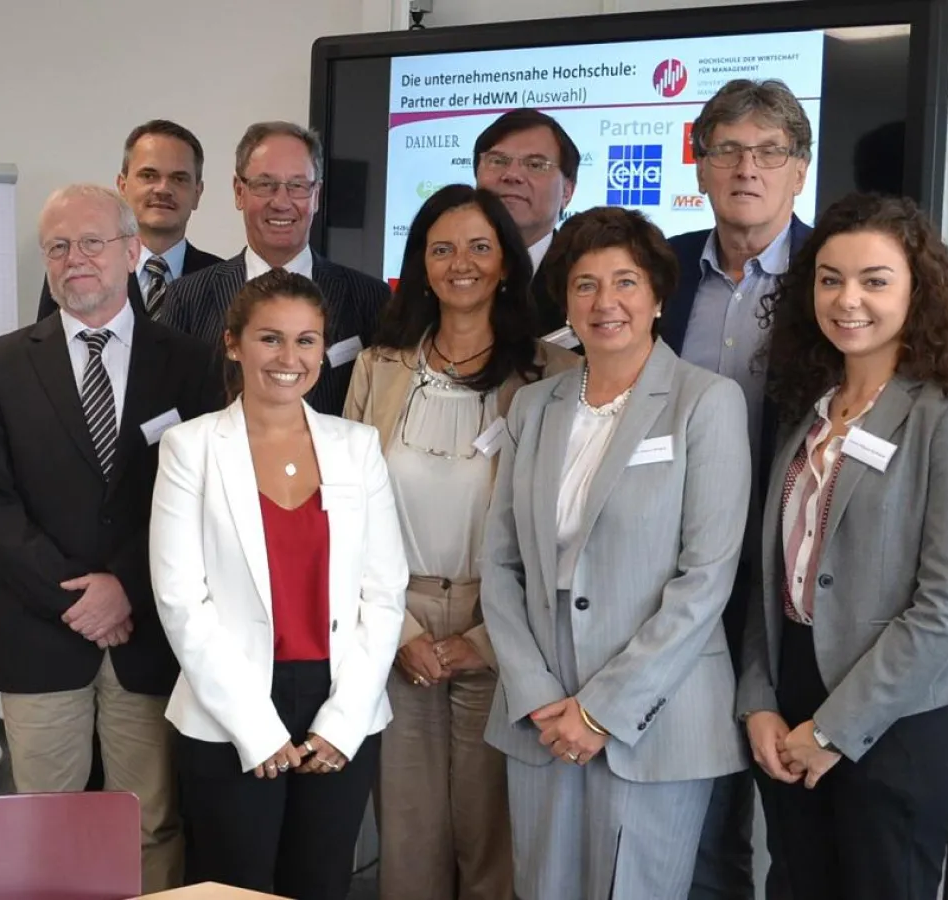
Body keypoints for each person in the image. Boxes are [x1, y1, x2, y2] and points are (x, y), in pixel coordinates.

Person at [738, 192, 948, 900]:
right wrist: (758, 702)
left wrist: (829, 731)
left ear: (918, 291)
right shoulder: (808, 406)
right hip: (788, 707)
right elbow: (772, 579)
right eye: (829, 278)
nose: (846, 299)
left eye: (874, 280)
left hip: (893, 725)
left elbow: (945, 607)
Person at [0, 183, 223, 894]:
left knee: (153, 823)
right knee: (45, 824)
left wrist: (122, 587)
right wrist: (75, 596)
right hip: (41, 632)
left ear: (133, 250)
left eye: (92, 241)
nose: (76, 258)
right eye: (58, 245)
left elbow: (199, 496)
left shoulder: (191, 363)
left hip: (147, 632)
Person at [480, 206, 752, 900]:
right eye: (585, 285)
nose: (605, 303)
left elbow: (705, 577)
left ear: (659, 295)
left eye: (625, 282)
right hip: (540, 720)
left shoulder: (705, 402)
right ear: (564, 301)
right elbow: (500, 564)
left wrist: (600, 709)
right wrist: (539, 697)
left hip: (651, 719)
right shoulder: (533, 406)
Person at [344, 184, 577, 900]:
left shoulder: (552, 372)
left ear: (507, 262)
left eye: (480, 246)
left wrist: (485, 634)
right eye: (441, 249)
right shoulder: (378, 365)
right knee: (408, 839)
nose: (461, 263)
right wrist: (403, 629)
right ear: (420, 264)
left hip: (503, 622)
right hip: (395, 615)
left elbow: (564, 520)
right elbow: (345, 508)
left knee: (493, 839)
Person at [149, 268, 408, 899]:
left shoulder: (357, 446)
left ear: (324, 348)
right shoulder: (191, 448)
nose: (289, 359)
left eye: (307, 341)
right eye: (270, 339)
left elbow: (385, 591)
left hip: (338, 701)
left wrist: (344, 722)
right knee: (234, 885)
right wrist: (254, 726)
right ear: (234, 344)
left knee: (319, 883)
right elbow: (182, 600)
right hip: (229, 704)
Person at [660, 77, 813, 900]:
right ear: (701, 164)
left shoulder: (836, 275)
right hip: (678, 574)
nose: (746, 168)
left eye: (768, 152)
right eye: (727, 151)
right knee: (701, 818)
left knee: (790, 812)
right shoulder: (662, 269)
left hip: (792, 575)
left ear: (797, 169)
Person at [160, 121, 389, 414]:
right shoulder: (188, 297)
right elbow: (167, 408)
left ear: (316, 195)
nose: (281, 202)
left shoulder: (371, 299)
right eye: (265, 184)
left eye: (296, 186)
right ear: (238, 191)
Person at [36, 119, 221, 321]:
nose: (163, 189)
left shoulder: (226, 281)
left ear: (197, 193)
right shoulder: (79, 271)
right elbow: (48, 347)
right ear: (122, 186)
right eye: (148, 175)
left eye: (179, 179)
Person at [474, 108, 580, 336]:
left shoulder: (585, 278)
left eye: (535, 165)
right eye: (498, 161)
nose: (512, 175)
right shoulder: (440, 269)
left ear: (567, 192)